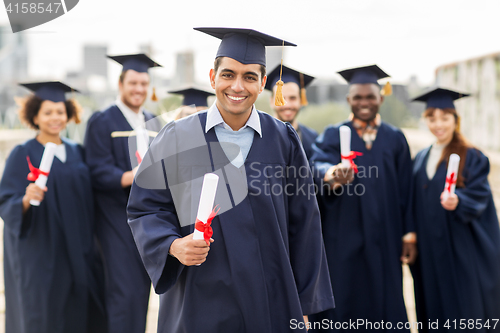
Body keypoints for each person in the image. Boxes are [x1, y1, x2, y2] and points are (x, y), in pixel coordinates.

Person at [127, 27, 334, 332]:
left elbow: (304, 224)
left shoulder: (283, 140)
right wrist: (172, 245)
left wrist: (304, 305)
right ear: (212, 77)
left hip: (270, 297)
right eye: (228, 74)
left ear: (263, 83)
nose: (237, 86)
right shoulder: (176, 136)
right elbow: (145, 208)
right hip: (198, 298)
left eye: (250, 77)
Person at [309, 65, 416, 331]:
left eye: (370, 96)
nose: (364, 102)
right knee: (346, 297)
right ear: (349, 100)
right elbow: (316, 166)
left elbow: (406, 188)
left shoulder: (395, 138)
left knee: (385, 297)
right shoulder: (333, 134)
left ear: (381, 98)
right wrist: (332, 174)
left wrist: (409, 234)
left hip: (386, 236)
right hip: (345, 236)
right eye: (357, 97)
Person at [0, 82, 106, 333]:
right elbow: (6, 202)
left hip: (78, 251)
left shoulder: (78, 152)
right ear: (35, 116)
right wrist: (26, 198)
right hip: (42, 254)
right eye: (47, 112)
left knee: (79, 314)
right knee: (44, 317)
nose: (55, 118)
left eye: (60, 111)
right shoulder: (22, 153)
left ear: (68, 114)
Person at [84, 54, 162, 333]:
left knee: (141, 292)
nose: (138, 89)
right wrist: (135, 175)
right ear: (120, 83)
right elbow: (95, 169)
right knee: (123, 294)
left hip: (148, 223)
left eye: (143, 83)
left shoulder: (154, 122)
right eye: (133, 83)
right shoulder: (103, 121)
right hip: (115, 221)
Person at [410, 87, 500, 332]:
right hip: (430, 249)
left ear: (455, 120)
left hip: (459, 247)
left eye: (445, 118)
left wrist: (459, 200)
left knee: (462, 311)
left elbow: (480, 194)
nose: (438, 124)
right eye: (431, 118)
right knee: (434, 308)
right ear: (425, 119)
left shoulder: (472, 156)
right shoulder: (421, 157)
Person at [265, 64, 317, 159]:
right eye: (281, 98)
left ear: (301, 100)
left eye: (292, 98)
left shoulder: (313, 138)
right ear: (271, 101)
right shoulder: (260, 136)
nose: (287, 105)